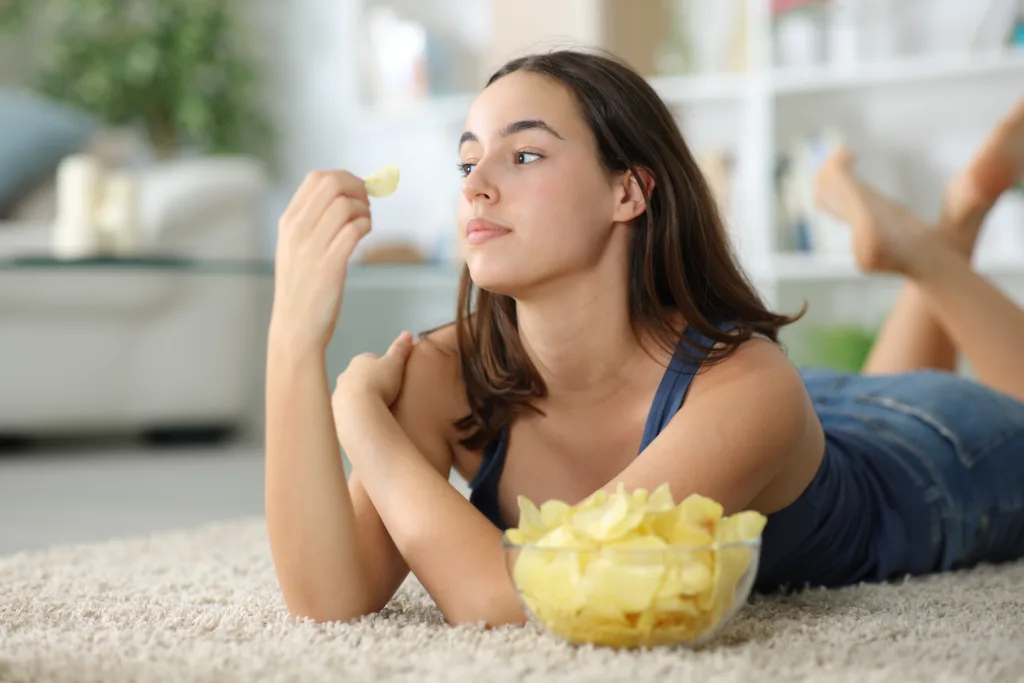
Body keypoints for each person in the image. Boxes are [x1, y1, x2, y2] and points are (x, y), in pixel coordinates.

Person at [264, 49, 1024, 627]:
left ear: (627, 190)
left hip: (930, 460)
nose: (475, 185)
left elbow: (516, 597)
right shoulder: (447, 368)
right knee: (847, 402)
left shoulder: (749, 383)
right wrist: (294, 338)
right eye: (468, 159)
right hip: (785, 413)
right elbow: (329, 598)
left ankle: (925, 251)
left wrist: (363, 423)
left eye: (522, 154)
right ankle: (953, 221)